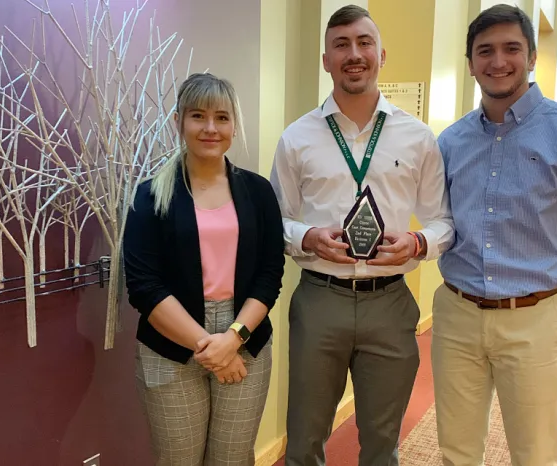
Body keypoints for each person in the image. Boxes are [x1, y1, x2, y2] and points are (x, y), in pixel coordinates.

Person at [433, 5, 557, 466]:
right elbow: (442, 220)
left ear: (532, 57)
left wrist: (547, 281)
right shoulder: (451, 142)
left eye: (511, 48)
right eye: (485, 51)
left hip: (533, 318)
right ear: (470, 62)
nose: (498, 61)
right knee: (456, 450)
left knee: (533, 453)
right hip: (456, 315)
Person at [270, 5, 454, 466]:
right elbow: (275, 219)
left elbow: (444, 222)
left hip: (390, 303)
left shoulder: (418, 138)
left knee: (380, 444)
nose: (354, 54)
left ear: (381, 54)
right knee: (304, 441)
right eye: (341, 45)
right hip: (319, 300)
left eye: (364, 43)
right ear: (326, 60)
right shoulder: (297, 138)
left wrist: (417, 243)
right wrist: (308, 236)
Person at [123, 72, 285, 466]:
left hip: (244, 336)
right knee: (179, 459)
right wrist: (210, 347)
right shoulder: (149, 196)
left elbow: (270, 273)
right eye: (198, 116)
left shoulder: (258, 191)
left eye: (222, 118)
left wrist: (232, 339)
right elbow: (144, 287)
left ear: (234, 125)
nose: (210, 128)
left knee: (232, 458)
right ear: (179, 121)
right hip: (171, 342)